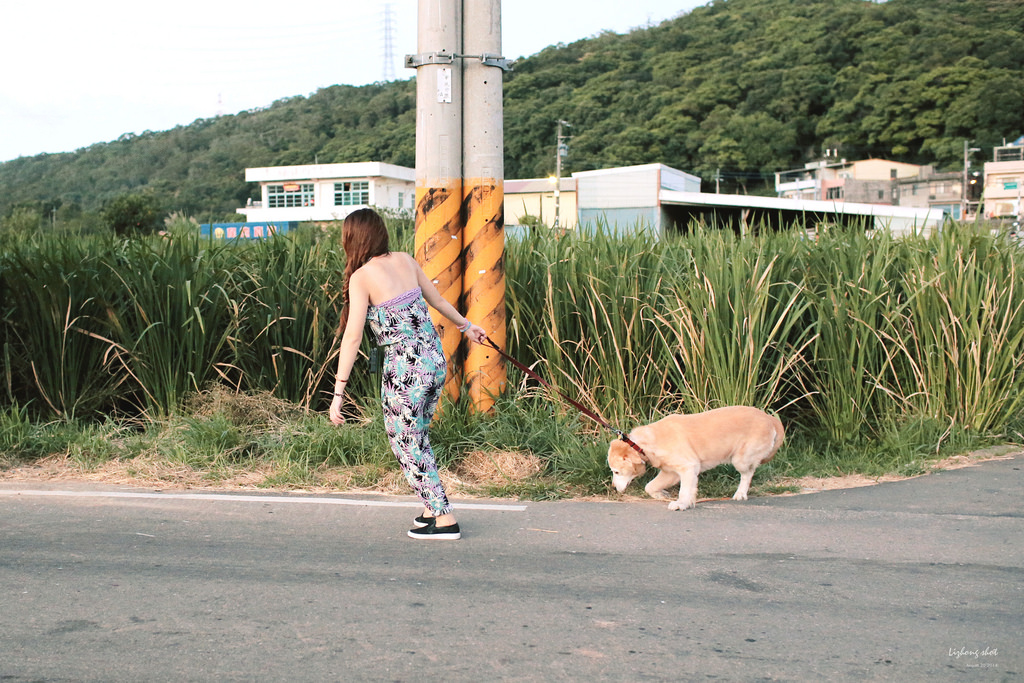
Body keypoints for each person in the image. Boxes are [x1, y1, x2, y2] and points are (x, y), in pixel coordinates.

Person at [329, 208, 486, 540]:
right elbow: (439, 301)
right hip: (433, 361)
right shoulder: (405, 260)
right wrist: (468, 327)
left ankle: (444, 519)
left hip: (405, 370)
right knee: (419, 437)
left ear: (352, 239)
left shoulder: (362, 277)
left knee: (407, 442)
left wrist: (338, 393)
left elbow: (353, 337)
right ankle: (430, 509)